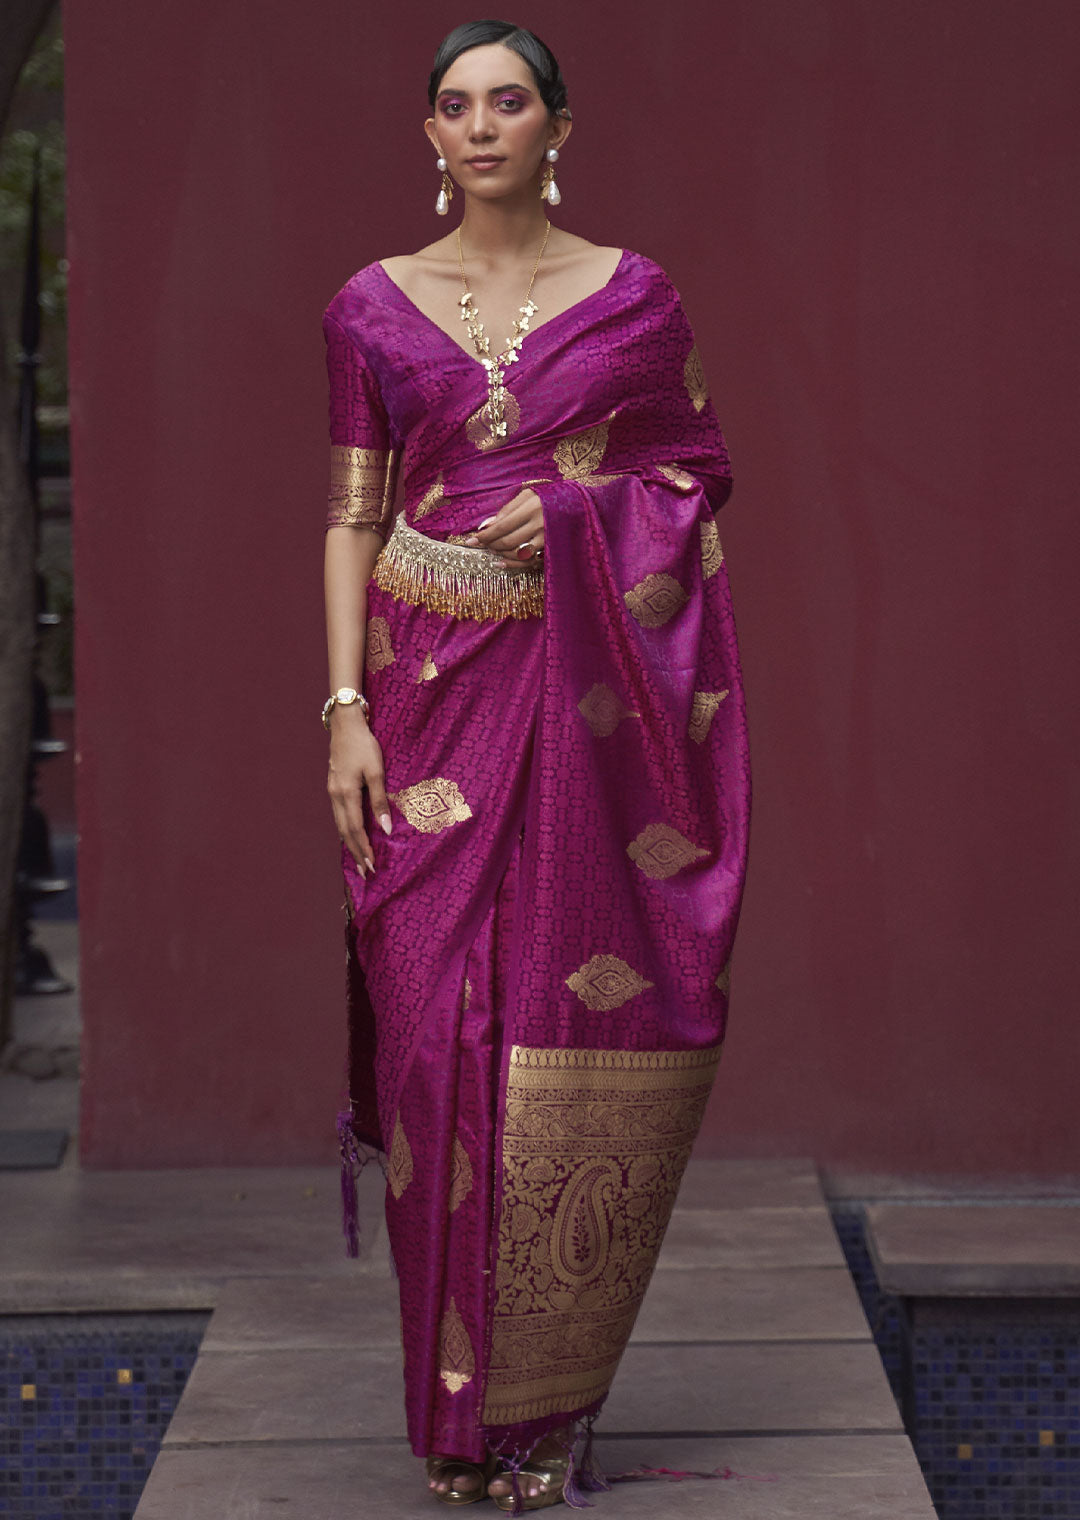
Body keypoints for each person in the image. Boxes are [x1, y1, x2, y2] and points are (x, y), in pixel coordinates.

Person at [322, 19, 751, 1512]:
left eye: (510, 100)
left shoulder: (634, 300)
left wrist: (583, 518)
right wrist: (341, 711)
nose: (482, 125)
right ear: (429, 137)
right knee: (435, 1033)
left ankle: (545, 1419)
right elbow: (349, 519)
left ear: (559, 122)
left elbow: (693, 485)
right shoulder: (371, 310)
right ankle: (455, 1415)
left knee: (571, 1024)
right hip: (424, 703)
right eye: (455, 106)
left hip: (583, 709)